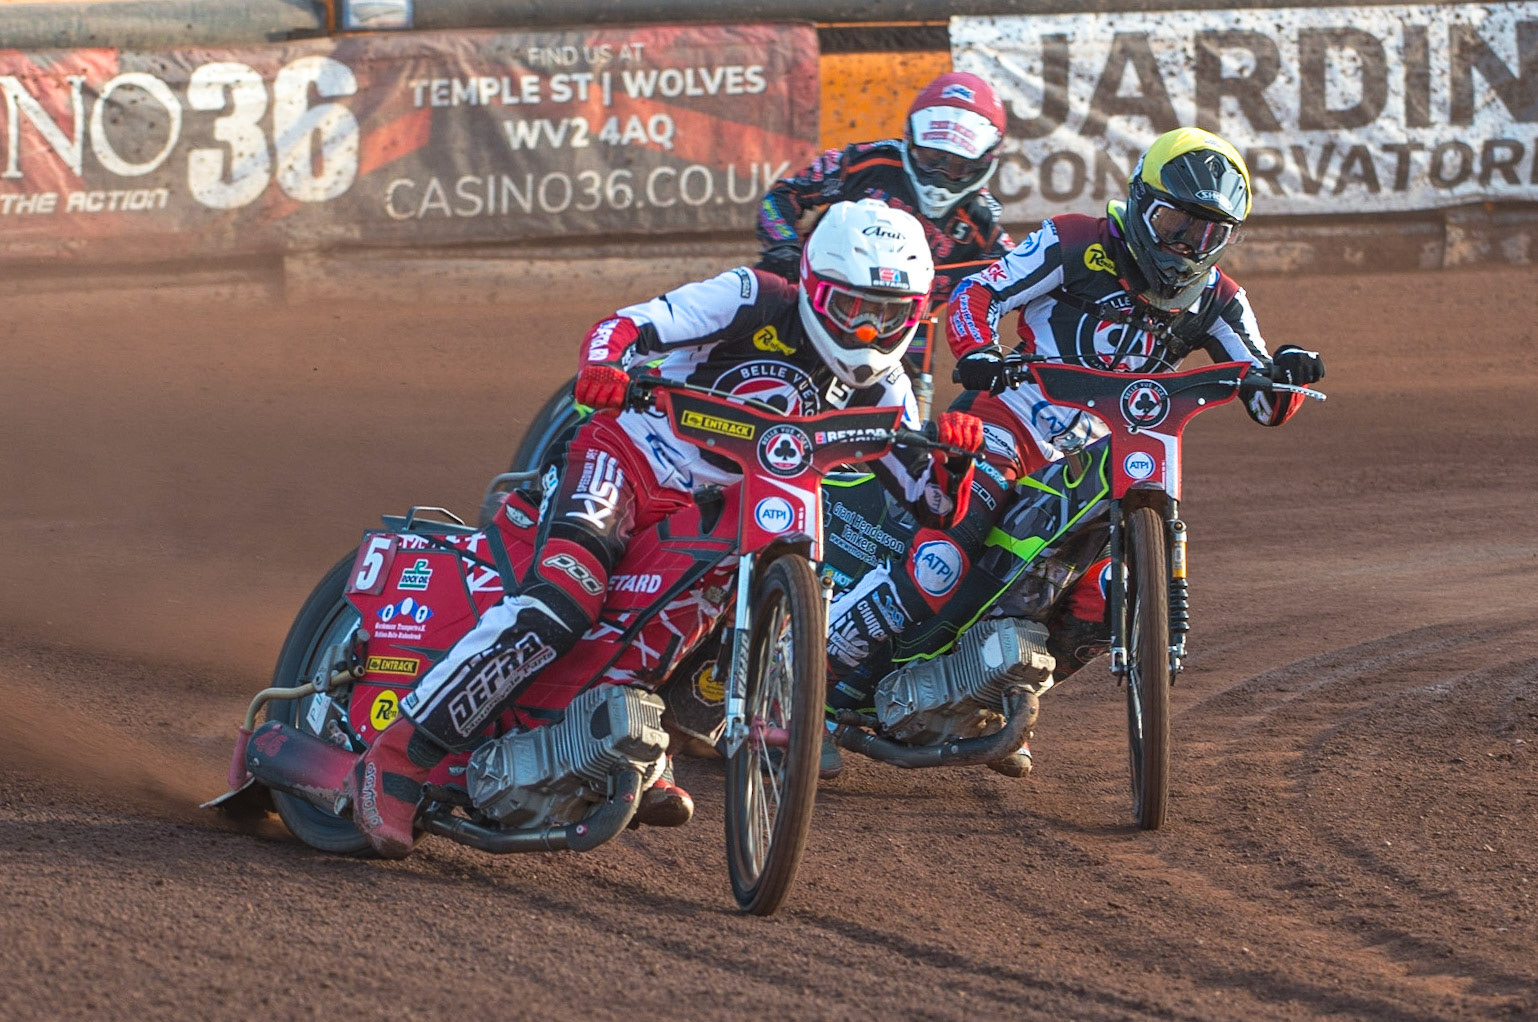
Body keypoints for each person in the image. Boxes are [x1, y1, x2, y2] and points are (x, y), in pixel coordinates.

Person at [346, 199, 984, 857]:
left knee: (711, 608)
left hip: (714, 514)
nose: (869, 331)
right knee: (564, 603)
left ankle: (626, 738)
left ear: (915, 316)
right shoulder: (752, 296)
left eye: (889, 315)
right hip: (625, 462)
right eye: (854, 308)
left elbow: (932, 504)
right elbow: (628, 325)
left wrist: (955, 458)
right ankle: (399, 756)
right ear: (818, 289)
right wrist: (605, 364)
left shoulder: (885, 390)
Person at [819, 127, 1325, 780]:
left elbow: (1263, 394)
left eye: (1209, 234)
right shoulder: (1074, 241)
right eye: (1176, 223)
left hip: (1108, 460)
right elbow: (979, 295)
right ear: (1143, 202)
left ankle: (992, 693)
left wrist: (1285, 372)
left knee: (1106, 598)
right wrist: (979, 354)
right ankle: (820, 693)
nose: (1186, 246)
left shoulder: (1221, 298)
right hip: (1012, 423)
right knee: (953, 546)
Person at [755, 71, 1015, 414]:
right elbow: (780, 198)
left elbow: (1022, 271)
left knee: (909, 431)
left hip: (905, 337)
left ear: (984, 162)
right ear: (910, 141)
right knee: (762, 367)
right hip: (816, 303)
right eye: (931, 159)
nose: (939, 174)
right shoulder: (865, 162)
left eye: (956, 167)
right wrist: (785, 249)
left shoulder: (982, 223)